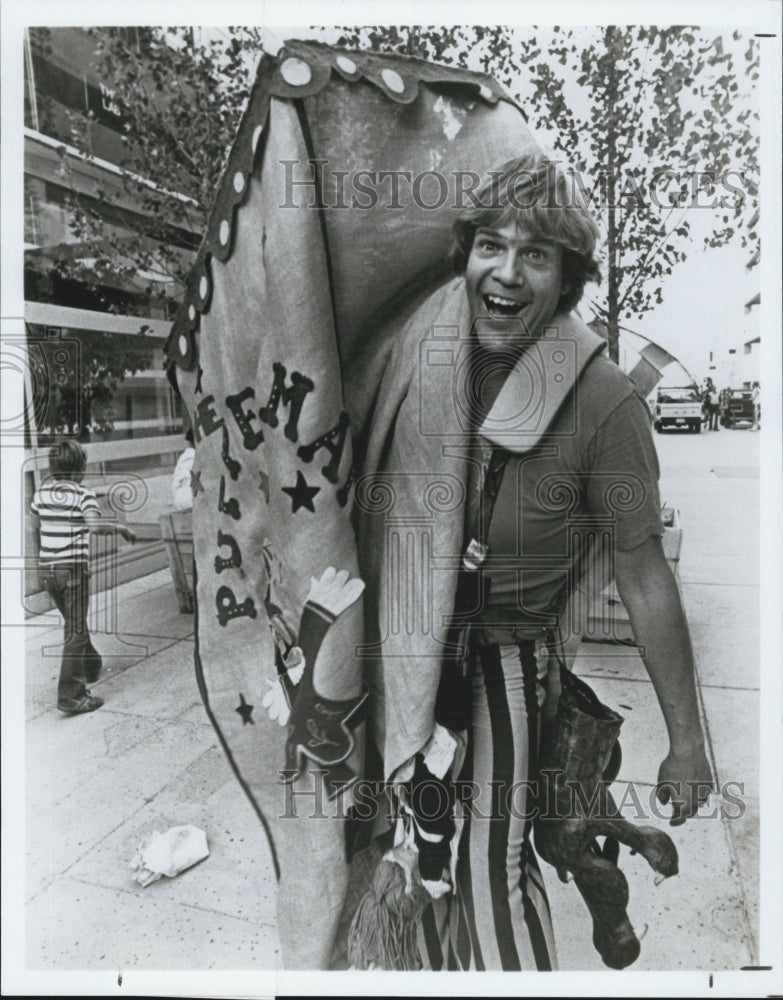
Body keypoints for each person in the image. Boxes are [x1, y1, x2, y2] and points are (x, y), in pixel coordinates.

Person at [360, 153, 715, 971]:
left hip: (502, 665)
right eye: (491, 245)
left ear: (567, 278)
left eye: (536, 254)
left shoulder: (602, 402)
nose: (507, 272)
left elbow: (643, 576)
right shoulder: (422, 355)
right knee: (421, 869)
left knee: (494, 875)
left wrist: (687, 741)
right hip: (407, 655)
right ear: (465, 254)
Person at [31, 438, 136, 714]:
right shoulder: (82, 494)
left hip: (48, 570)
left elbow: (35, 525)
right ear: (79, 469)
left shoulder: (41, 494)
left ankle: (90, 663)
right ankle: (71, 695)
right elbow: (95, 527)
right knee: (75, 629)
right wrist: (121, 528)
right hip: (72, 570)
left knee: (73, 621)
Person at [171, 426, 195, 508]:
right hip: (189, 497)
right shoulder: (193, 456)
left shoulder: (184, 456)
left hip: (180, 497)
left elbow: (175, 485)